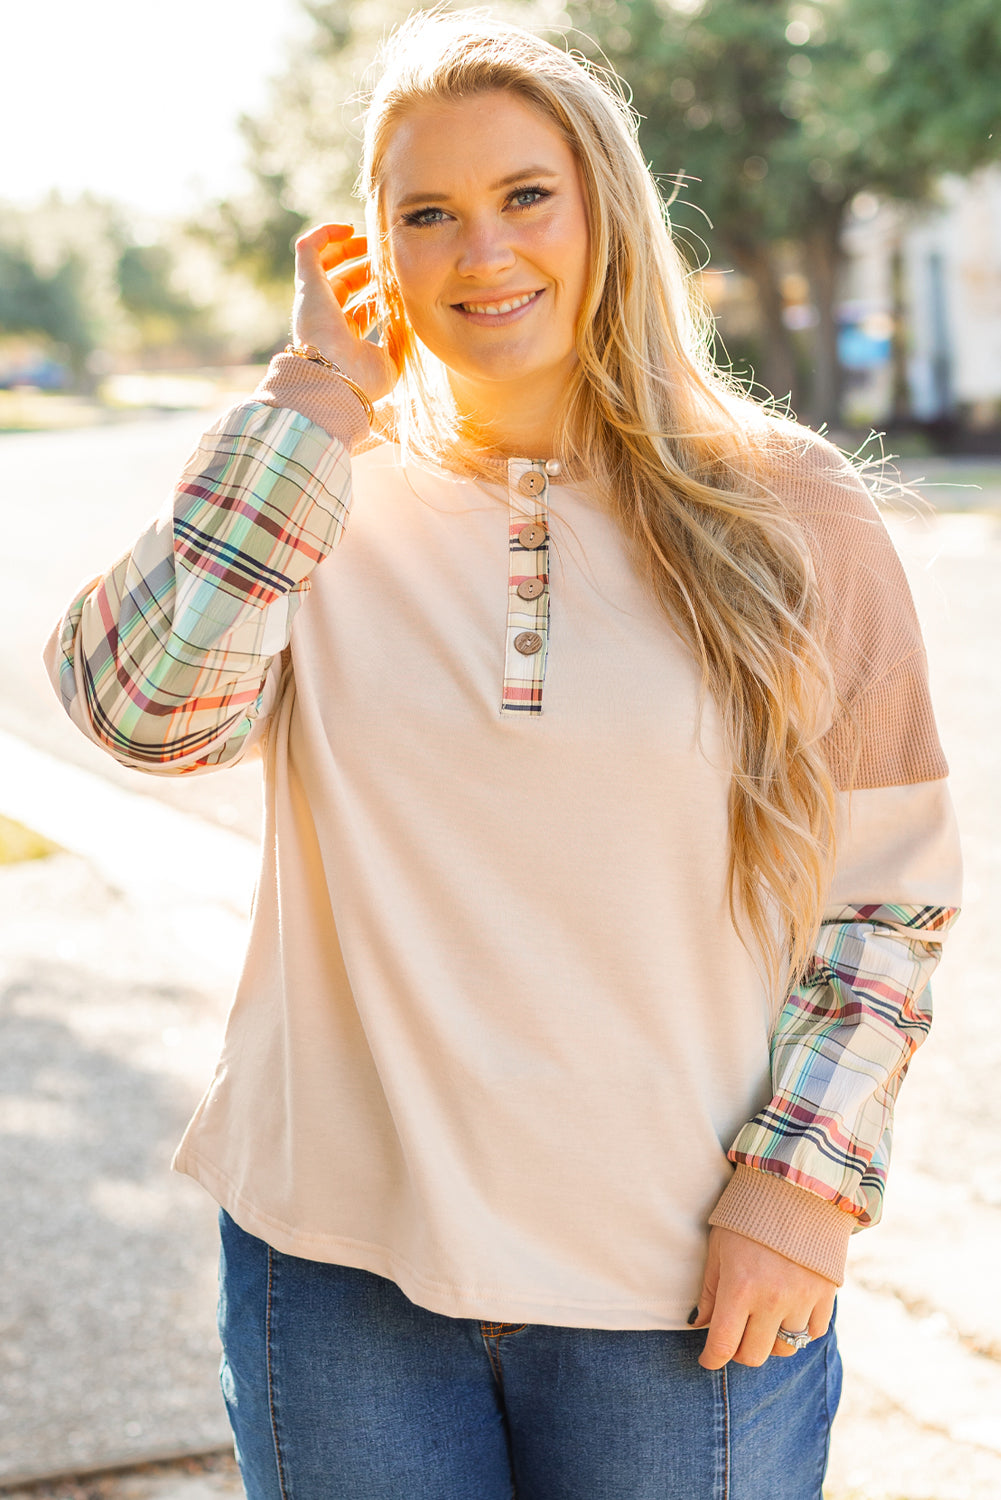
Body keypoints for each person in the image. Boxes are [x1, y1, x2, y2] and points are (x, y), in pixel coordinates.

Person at [45, 12, 961, 1499]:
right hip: (334, 1264)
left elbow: (887, 898)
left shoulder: (785, 510)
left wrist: (801, 1192)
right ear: (369, 248)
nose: (483, 252)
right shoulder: (310, 488)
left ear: (604, 208)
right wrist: (312, 404)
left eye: (525, 196)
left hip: (673, 1276)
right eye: (427, 214)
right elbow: (138, 710)